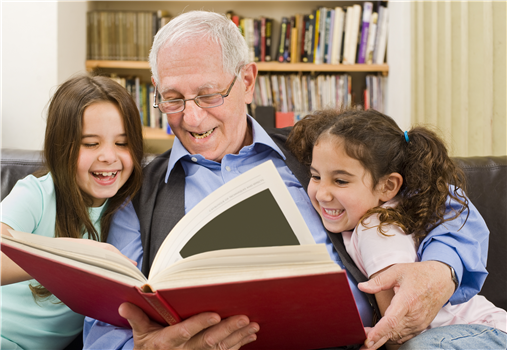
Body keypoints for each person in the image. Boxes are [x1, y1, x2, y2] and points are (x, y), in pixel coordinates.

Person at [83, 11, 490, 350]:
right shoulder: (136, 195)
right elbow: (103, 329)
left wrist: (441, 270)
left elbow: (445, 202)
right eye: (172, 98)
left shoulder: (320, 147)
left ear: (246, 81)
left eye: (209, 95)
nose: (190, 118)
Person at [287, 108, 507, 349]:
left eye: (340, 180)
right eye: (315, 176)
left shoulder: (375, 227)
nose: (322, 193)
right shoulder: (388, 210)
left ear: (388, 186)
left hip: (482, 331)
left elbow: (399, 326)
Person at [0, 75, 144, 349]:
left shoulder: (131, 211)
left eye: (122, 143)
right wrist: (72, 254)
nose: (109, 156)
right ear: (61, 146)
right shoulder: (38, 193)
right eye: (91, 144)